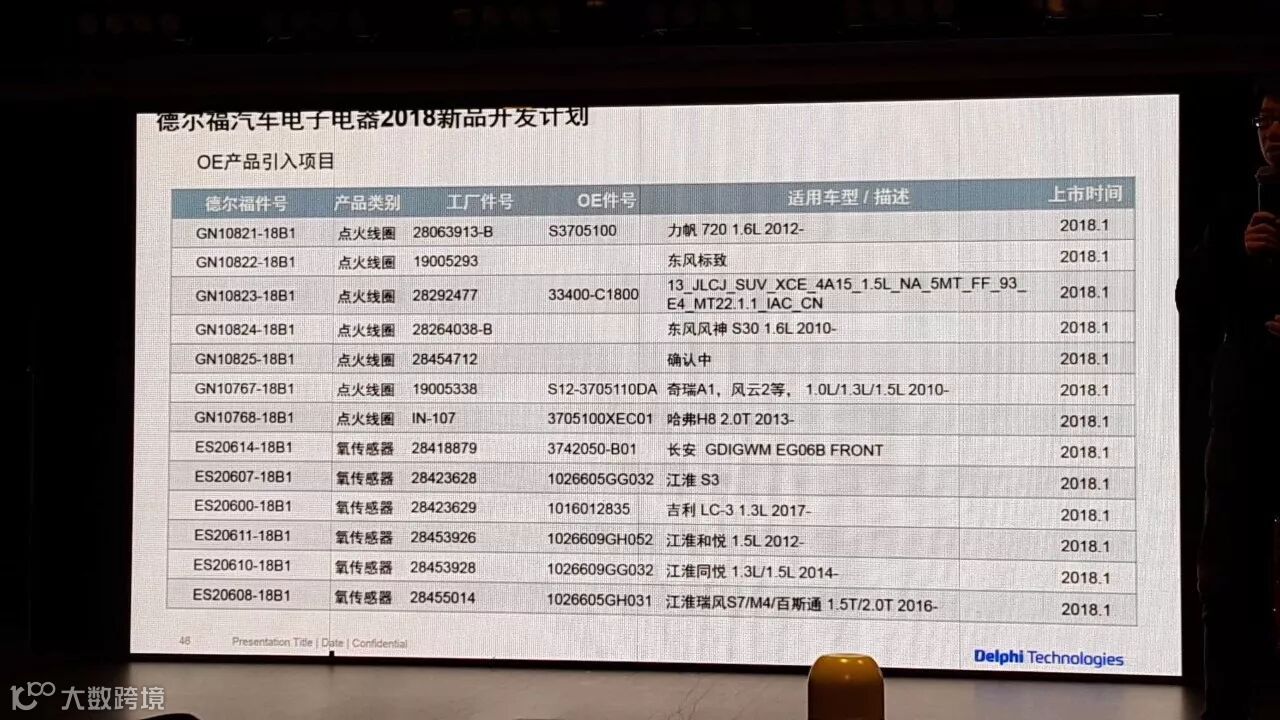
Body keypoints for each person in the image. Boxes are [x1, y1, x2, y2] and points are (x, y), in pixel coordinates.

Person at [1177, 77, 1280, 720]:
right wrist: (1238, 256)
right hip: (1242, 414)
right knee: (1223, 576)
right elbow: (1190, 301)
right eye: (1264, 121)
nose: (1272, 132)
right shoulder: (1237, 206)